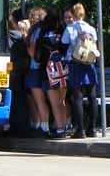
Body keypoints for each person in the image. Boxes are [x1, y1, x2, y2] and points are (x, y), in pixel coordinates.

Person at [63, 3, 99, 138]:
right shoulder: (91, 28)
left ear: (73, 14)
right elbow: (95, 43)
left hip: (76, 63)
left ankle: (80, 130)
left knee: (77, 97)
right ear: (84, 13)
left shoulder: (70, 28)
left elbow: (64, 42)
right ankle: (93, 128)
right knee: (92, 96)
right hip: (89, 64)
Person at [36, 9, 67, 138]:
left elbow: (38, 56)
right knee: (62, 101)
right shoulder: (63, 32)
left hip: (48, 72)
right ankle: (64, 127)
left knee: (54, 103)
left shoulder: (43, 35)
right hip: (64, 71)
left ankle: (59, 129)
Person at [25, 7, 51, 137]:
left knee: (39, 100)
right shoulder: (47, 30)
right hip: (46, 67)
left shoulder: (36, 31)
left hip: (35, 67)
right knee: (46, 100)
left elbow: (32, 52)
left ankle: (43, 126)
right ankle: (46, 125)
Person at [8, 11, 31, 137]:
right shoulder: (20, 36)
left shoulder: (7, 36)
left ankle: (17, 127)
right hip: (21, 69)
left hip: (12, 70)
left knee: (15, 100)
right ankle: (23, 128)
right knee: (20, 99)